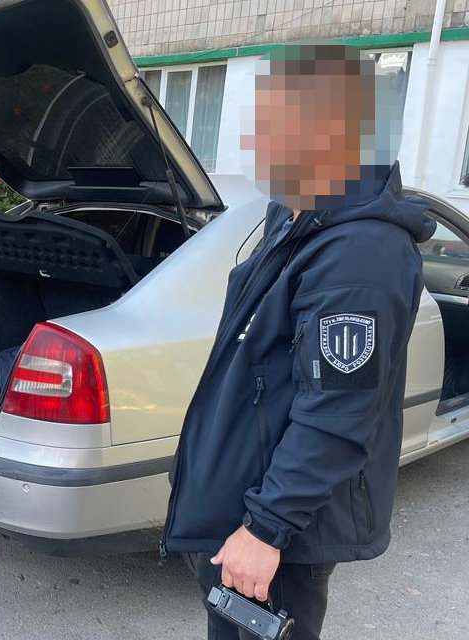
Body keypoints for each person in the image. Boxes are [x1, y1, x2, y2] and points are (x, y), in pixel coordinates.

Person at [161, 43, 436, 639]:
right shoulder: (297, 215)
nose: (259, 143)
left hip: (280, 531)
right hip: (247, 500)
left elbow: (337, 412)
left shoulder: (362, 252)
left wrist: (265, 529)